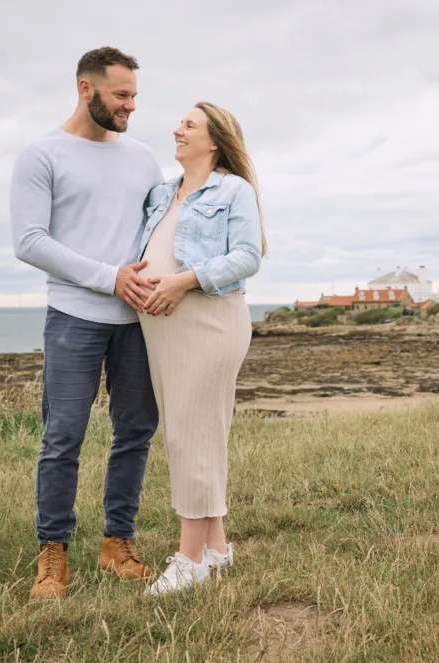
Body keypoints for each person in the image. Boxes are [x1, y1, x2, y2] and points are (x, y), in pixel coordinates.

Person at [10, 47, 163, 600]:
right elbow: (29, 241)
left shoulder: (143, 158)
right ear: (86, 88)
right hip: (73, 317)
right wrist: (109, 277)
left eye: (133, 96)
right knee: (63, 437)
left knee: (136, 433)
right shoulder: (41, 154)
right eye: (121, 95)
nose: (130, 106)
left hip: (139, 320)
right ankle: (53, 553)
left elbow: (163, 228)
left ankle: (117, 542)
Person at [136, 102, 264, 595]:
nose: (177, 129)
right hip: (164, 328)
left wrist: (183, 282)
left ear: (214, 141)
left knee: (189, 437)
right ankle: (217, 548)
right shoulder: (164, 193)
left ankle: (189, 559)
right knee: (196, 433)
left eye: (188, 125)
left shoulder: (234, 189)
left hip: (208, 323)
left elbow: (248, 256)